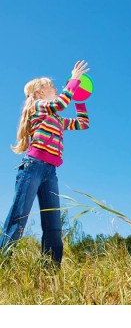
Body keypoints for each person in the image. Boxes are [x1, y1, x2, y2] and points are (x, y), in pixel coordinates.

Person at [0, 60, 90, 266]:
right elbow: (60, 103)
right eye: (52, 87)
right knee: (18, 219)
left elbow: (83, 123)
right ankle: (2, 264)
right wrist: (74, 80)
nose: (57, 89)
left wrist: (80, 98)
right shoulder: (38, 107)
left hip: (50, 173)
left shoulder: (57, 119)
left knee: (53, 226)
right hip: (33, 168)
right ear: (40, 92)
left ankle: (49, 273)